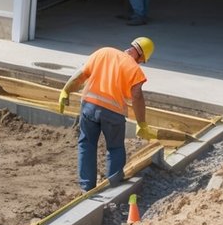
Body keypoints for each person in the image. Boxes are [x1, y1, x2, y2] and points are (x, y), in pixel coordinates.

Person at [58, 36, 154, 192]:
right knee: (115, 148)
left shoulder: (104, 52)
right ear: (142, 57)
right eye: (142, 61)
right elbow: (136, 95)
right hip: (113, 113)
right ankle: (112, 189)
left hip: (89, 106)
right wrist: (141, 123)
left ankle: (86, 189)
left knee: (86, 144)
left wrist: (65, 91)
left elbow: (80, 74)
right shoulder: (134, 69)